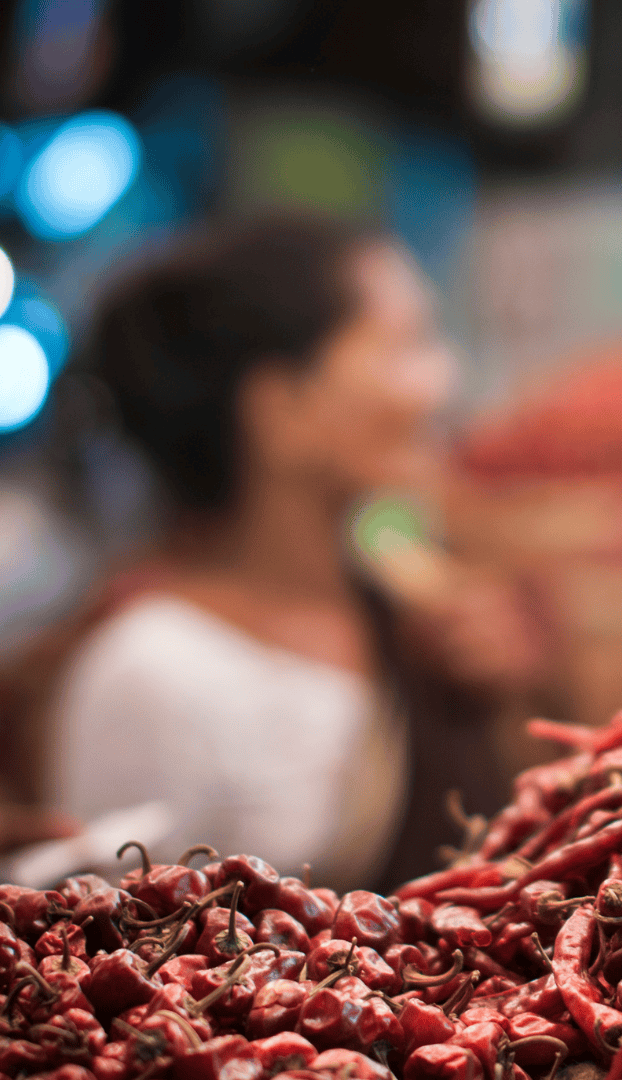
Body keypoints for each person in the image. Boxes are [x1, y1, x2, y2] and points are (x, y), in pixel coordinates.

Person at [3, 217, 545, 891]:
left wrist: (501, 694)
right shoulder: (149, 674)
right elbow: (120, 964)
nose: (444, 379)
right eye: (407, 345)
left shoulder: (410, 615)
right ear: (280, 408)